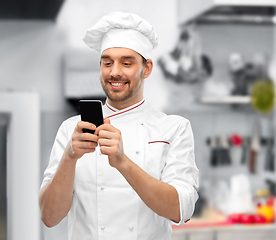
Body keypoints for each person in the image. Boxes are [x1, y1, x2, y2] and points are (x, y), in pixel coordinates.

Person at [39, 12, 199, 240]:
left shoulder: (173, 128)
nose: (115, 72)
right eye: (107, 63)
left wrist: (123, 162)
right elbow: (49, 216)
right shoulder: (71, 129)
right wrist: (70, 157)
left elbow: (181, 210)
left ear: (147, 68)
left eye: (126, 63)